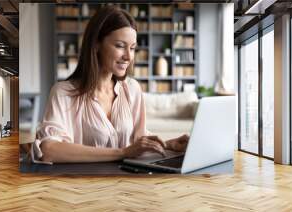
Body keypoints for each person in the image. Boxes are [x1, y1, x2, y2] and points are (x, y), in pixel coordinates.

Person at [31, 5, 189, 165]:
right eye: (120, 46)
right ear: (96, 44)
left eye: (133, 48)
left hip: (126, 183)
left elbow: (137, 140)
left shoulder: (132, 89)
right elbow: (49, 150)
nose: (128, 56)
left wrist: (169, 145)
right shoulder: (63, 93)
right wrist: (122, 153)